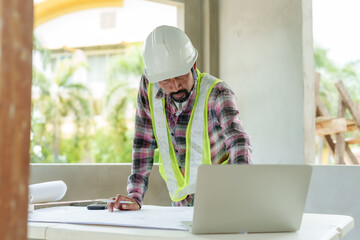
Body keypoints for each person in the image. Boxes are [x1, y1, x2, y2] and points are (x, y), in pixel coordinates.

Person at [108, 25, 252, 212]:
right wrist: (135, 196)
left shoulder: (217, 93)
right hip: (180, 205)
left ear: (193, 65)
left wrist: (240, 185)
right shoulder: (149, 87)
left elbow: (238, 140)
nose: (175, 86)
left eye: (180, 76)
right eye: (166, 80)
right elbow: (144, 143)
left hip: (222, 201)